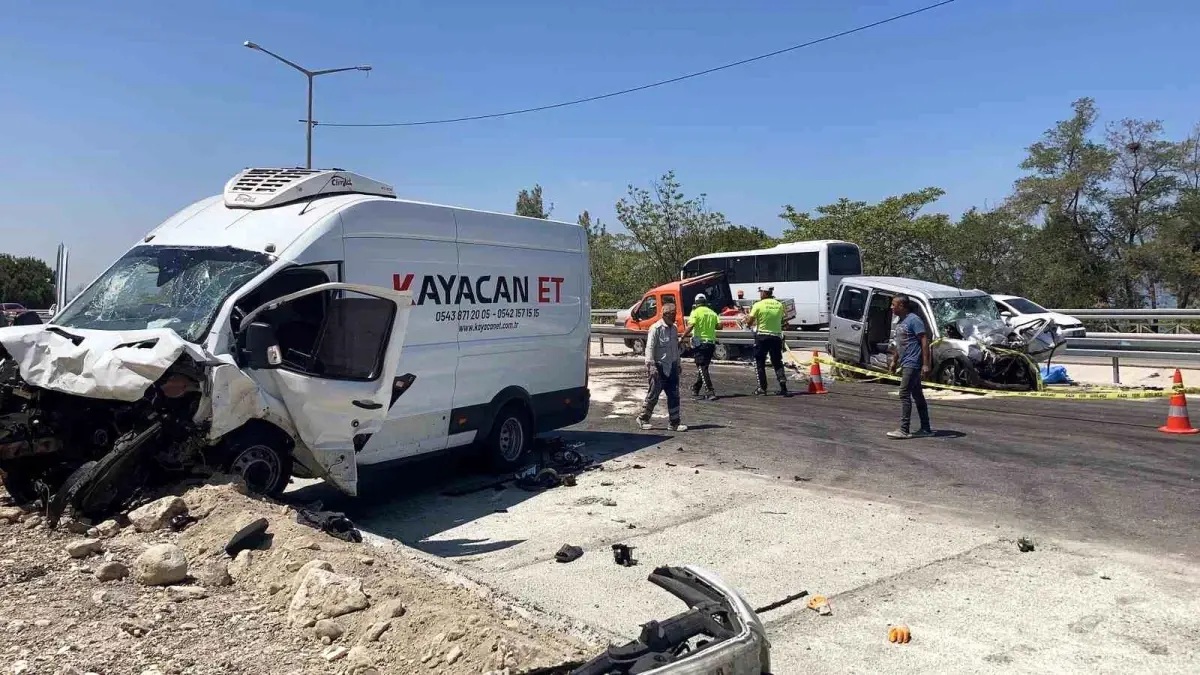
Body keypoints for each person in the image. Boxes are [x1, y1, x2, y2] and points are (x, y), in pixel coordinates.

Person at [887, 295, 933, 439]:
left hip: (913, 363)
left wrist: (926, 364)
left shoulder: (914, 320)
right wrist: (895, 360)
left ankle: (904, 429)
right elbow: (899, 343)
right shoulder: (901, 321)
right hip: (905, 361)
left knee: (904, 393)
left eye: (893, 304)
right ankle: (926, 428)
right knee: (917, 395)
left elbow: (924, 341)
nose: (891, 307)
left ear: (902, 306)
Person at [637, 303, 688, 432]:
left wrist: (678, 364)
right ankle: (643, 418)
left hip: (671, 366)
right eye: (672, 314)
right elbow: (650, 347)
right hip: (658, 367)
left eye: (675, 314)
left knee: (674, 395)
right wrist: (651, 365)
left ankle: (674, 423)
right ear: (665, 315)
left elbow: (675, 349)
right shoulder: (656, 328)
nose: (674, 317)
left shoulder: (674, 329)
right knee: (653, 395)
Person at [745, 287, 790, 397]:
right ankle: (783, 385)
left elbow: (749, 322)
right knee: (777, 361)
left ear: (765, 293)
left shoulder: (758, 305)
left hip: (762, 337)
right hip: (776, 337)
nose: (760, 294)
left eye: (761, 292)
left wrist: (747, 322)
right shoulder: (779, 305)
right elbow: (785, 321)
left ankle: (762, 388)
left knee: (759, 362)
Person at [684, 293, 719, 400]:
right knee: (704, 367)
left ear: (696, 303)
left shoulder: (695, 312)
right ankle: (696, 388)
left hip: (700, 344)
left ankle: (710, 391)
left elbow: (691, 325)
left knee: (701, 367)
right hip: (711, 344)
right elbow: (719, 325)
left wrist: (682, 337)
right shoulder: (712, 313)